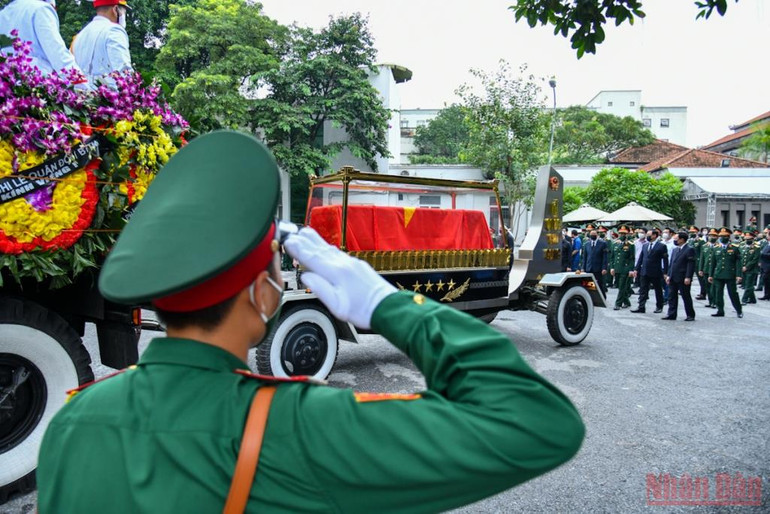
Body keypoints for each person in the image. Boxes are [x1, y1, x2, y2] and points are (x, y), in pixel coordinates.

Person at [36, 131, 585, 513]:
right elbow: (536, 423)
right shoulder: (297, 425)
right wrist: (385, 304)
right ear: (263, 293)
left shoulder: (73, 421)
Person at [0, 0, 83, 76]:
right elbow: (58, 54)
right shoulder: (41, 9)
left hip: (9, 83)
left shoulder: (4, 12)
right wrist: (83, 86)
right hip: (35, 82)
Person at [71, 0, 132, 88]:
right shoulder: (114, 30)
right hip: (107, 98)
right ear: (115, 10)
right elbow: (123, 71)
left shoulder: (81, 34)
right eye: (123, 12)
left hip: (80, 97)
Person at [708, 227, 743, 318]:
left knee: (733, 293)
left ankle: (739, 310)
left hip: (730, 274)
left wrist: (739, 275)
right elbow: (713, 263)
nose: (722, 238)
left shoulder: (734, 248)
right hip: (718, 274)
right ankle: (720, 310)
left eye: (724, 236)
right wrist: (710, 275)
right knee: (718, 293)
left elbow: (738, 263)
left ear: (728, 237)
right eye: (721, 236)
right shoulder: (716, 248)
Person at [631, 229, 668, 314]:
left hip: (656, 271)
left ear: (654, 235)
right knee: (643, 290)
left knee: (658, 290)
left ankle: (659, 306)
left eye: (649, 235)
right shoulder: (645, 245)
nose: (647, 236)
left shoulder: (661, 246)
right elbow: (641, 258)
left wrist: (665, 272)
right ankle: (641, 307)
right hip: (644, 271)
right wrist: (636, 269)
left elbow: (665, 260)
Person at [662, 231, 696, 321]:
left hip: (683, 277)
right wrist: (669, 275)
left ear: (682, 239)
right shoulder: (675, 249)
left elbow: (690, 264)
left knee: (686, 296)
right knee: (671, 296)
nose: (675, 240)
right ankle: (672, 314)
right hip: (673, 277)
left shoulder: (689, 249)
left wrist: (688, 276)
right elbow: (672, 264)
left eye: (676, 239)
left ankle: (690, 315)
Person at [610, 225, 634, 310]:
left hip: (625, 268)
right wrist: (612, 267)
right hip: (617, 268)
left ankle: (618, 304)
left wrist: (631, 270)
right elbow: (612, 257)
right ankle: (627, 302)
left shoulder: (630, 244)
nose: (622, 235)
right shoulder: (615, 243)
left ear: (627, 234)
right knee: (620, 286)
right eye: (620, 233)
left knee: (622, 286)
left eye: (624, 233)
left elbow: (632, 258)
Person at [581, 228, 608, 294]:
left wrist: (604, 268)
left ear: (597, 235)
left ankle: (603, 298)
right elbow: (584, 257)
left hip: (598, 268)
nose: (593, 235)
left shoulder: (603, 243)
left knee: (599, 285)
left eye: (594, 234)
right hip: (589, 268)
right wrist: (582, 268)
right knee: (589, 285)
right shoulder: (587, 244)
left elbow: (605, 257)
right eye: (591, 234)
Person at [699, 228, 718, 308]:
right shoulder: (704, 246)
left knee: (714, 287)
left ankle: (715, 302)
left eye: (714, 236)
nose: (712, 237)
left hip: (715, 269)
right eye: (710, 235)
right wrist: (700, 269)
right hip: (706, 269)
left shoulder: (718, 246)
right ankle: (710, 301)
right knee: (708, 286)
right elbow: (702, 258)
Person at [740, 232, 760, 305]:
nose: (748, 240)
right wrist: (741, 266)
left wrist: (747, 266)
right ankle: (752, 299)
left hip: (752, 269)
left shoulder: (756, 248)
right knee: (747, 284)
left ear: (753, 239)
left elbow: (755, 259)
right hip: (743, 268)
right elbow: (741, 258)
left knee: (748, 284)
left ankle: (744, 299)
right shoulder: (742, 246)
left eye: (749, 239)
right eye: (746, 239)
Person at [759, 231, 770, 300]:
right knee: (766, 281)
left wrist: (763, 254)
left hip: (769, 265)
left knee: (768, 281)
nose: (767, 236)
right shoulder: (767, 244)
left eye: (768, 235)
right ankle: (766, 295)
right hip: (764, 265)